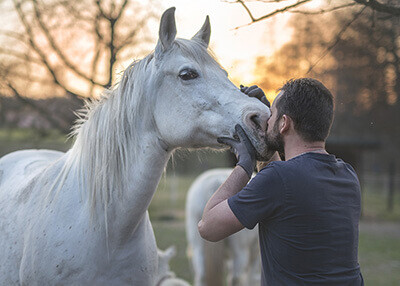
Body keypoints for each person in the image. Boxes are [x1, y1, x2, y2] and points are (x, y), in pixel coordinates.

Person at [198, 78, 364, 285]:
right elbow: (284, 184)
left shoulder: (279, 179)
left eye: (272, 115)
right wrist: (268, 129)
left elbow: (208, 227)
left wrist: (244, 165)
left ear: (284, 123)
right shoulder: (347, 175)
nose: (268, 120)